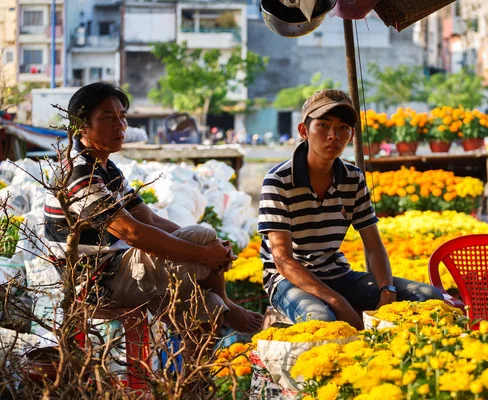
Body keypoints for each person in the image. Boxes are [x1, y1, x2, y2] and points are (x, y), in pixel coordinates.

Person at [44, 82, 263, 336]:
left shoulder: (108, 169)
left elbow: (151, 219)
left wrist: (206, 246)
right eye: (107, 118)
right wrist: (203, 252)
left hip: (117, 268)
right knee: (203, 242)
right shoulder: (78, 173)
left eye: (122, 117)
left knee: (209, 305)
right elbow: (133, 232)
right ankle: (231, 306)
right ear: (82, 126)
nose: (120, 126)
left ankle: (192, 375)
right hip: (96, 282)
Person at [257, 89, 443, 329]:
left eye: (343, 128)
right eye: (323, 126)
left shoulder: (353, 178)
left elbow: (374, 246)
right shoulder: (279, 180)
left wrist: (387, 289)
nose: (333, 136)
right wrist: (338, 302)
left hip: (338, 275)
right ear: (304, 131)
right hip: (288, 280)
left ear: (352, 134)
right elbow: (283, 261)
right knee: (323, 321)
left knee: (428, 297)